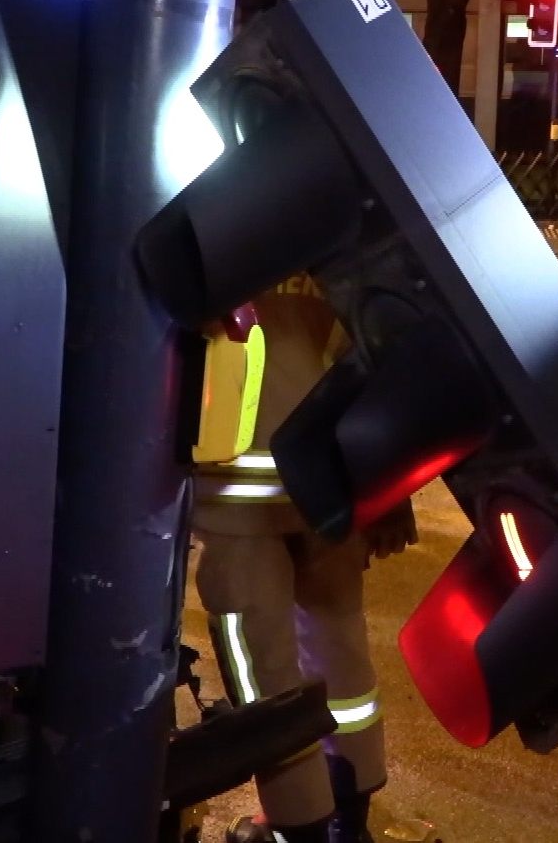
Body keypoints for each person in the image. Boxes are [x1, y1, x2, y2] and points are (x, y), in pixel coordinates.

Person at [190, 274, 417, 843]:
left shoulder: (213, 231)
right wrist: (390, 488)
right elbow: (386, 353)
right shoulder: (339, 235)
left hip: (233, 503)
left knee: (262, 674)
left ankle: (300, 823)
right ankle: (348, 812)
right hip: (333, 493)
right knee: (340, 649)